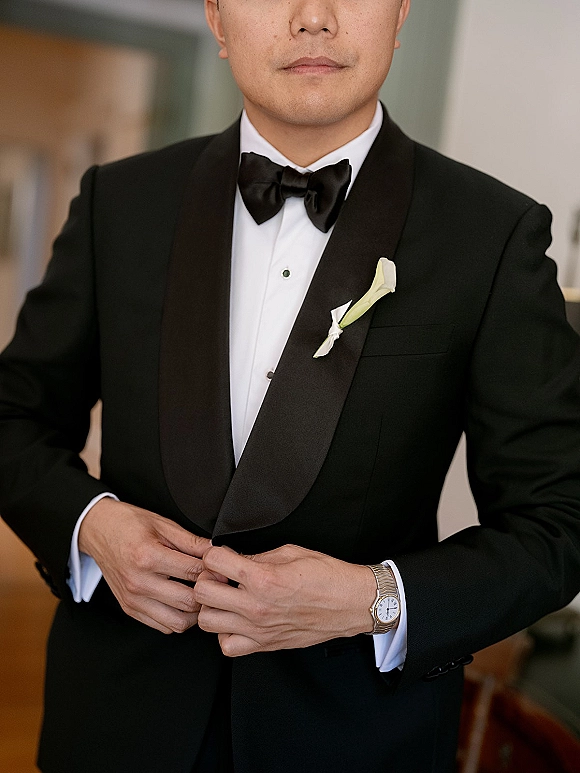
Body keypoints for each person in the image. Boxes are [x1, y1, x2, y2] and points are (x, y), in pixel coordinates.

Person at [1, 0, 580, 770]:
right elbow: (13, 417)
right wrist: (93, 527)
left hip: (357, 737)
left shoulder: (495, 234)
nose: (313, 16)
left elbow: (559, 521)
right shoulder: (120, 201)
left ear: (401, 13)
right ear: (216, 17)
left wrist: (372, 599)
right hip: (115, 723)